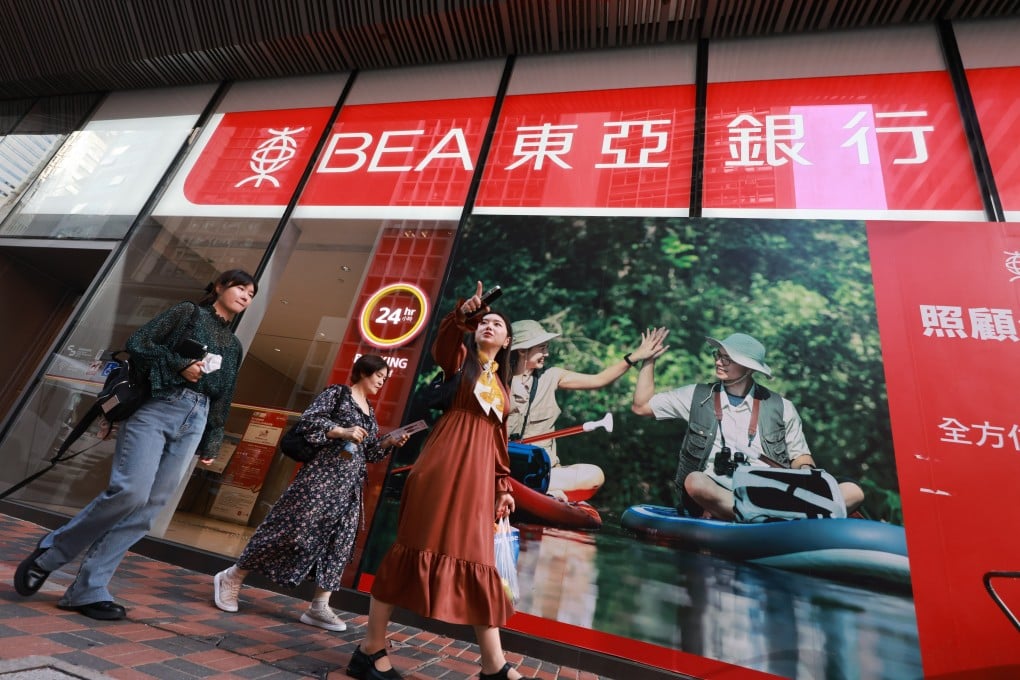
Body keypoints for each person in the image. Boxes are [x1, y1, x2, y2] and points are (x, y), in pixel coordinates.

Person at [14, 269, 257, 620]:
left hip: (196, 419)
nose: (246, 295)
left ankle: (87, 590)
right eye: (240, 287)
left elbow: (225, 394)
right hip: (159, 407)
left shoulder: (233, 346)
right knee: (131, 492)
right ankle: (52, 553)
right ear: (219, 286)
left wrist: (213, 440)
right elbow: (140, 342)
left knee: (149, 510)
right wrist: (181, 365)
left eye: (251, 293)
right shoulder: (188, 313)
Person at [348, 281, 522, 680]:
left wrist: (503, 486)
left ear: (508, 341)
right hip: (441, 467)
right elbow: (445, 343)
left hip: (478, 478)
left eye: (497, 324)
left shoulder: (501, 386)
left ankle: (493, 665)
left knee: (478, 561)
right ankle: (371, 648)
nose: (490, 326)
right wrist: (462, 317)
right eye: (485, 322)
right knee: (413, 547)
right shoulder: (460, 362)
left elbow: (500, 440)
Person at [212, 354, 410, 631]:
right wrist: (341, 431)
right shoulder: (337, 394)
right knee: (288, 530)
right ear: (365, 371)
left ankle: (320, 606)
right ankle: (232, 577)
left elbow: (369, 453)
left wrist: (389, 441)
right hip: (319, 480)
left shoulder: (370, 410)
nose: (382, 382)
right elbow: (309, 423)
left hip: (348, 490)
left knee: (337, 544)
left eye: (385, 379)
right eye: (379, 376)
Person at [631, 332, 865, 520]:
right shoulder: (696, 396)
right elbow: (641, 406)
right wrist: (649, 360)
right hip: (720, 491)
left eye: (728, 358)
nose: (719, 362)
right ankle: (778, 518)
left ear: (749, 368)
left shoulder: (782, 407)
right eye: (718, 355)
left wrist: (806, 473)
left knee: (852, 491)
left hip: (771, 491)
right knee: (695, 481)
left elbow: (800, 455)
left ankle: (767, 515)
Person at [507, 320, 669, 501]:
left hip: (543, 472)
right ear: (522, 350)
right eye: (542, 348)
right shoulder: (495, 380)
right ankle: (539, 490)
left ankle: (539, 488)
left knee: (594, 475)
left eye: (547, 347)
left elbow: (599, 380)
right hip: (505, 467)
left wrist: (635, 357)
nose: (547, 353)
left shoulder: (552, 376)